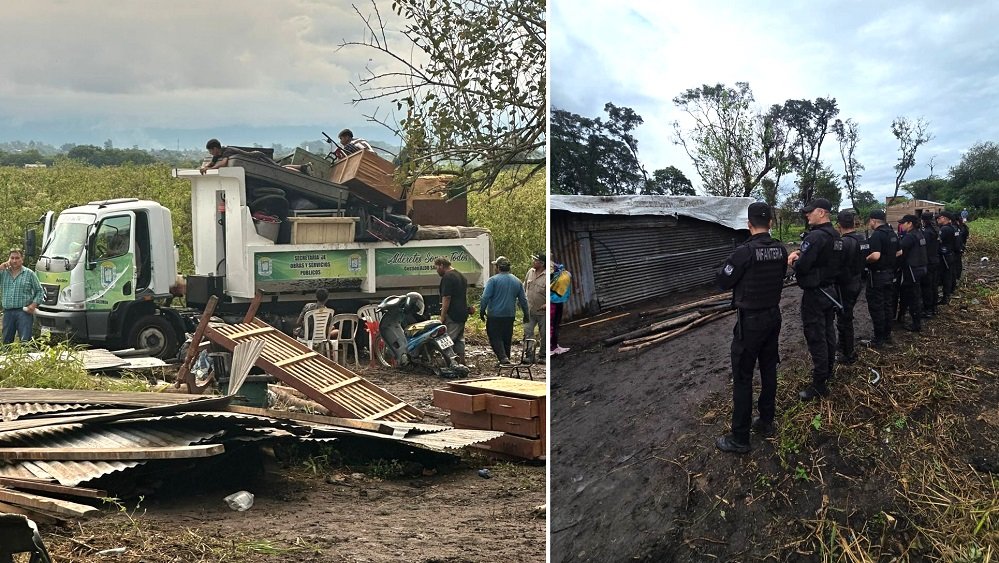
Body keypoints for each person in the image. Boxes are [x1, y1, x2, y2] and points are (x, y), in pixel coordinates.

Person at [714, 203, 788, 454]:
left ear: (748, 224)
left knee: (743, 378)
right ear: (770, 223)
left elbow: (723, 281)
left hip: (751, 322)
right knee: (768, 370)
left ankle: (740, 438)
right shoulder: (780, 249)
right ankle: (766, 421)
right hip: (773, 317)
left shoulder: (744, 252)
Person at [787, 198, 842, 401]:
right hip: (830, 291)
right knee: (828, 333)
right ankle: (828, 372)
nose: (807, 215)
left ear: (821, 212)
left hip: (816, 294)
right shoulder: (835, 235)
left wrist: (793, 261)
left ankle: (819, 385)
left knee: (816, 337)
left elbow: (803, 267)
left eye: (810, 212)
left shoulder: (816, 236)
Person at [479, 256, 528, 366]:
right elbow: (523, 300)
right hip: (509, 315)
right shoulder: (517, 281)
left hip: (495, 315)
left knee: (494, 336)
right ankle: (506, 359)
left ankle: (503, 358)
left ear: (498, 267)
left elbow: (485, 297)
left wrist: (482, 311)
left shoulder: (493, 280)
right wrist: (526, 314)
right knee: (507, 337)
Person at [835, 210, 868, 365]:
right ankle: (843, 345)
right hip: (857, 280)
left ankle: (848, 353)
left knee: (844, 319)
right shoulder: (862, 239)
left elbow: (837, 265)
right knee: (846, 316)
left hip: (846, 284)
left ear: (839, 225)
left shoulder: (844, 243)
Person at [865, 210, 899, 348]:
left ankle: (878, 339)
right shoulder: (892, 233)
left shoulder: (877, 235)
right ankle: (887, 335)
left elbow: (875, 255)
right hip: (890, 274)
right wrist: (888, 260)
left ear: (873, 220)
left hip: (877, 276)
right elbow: (899, 252)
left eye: (870, 221)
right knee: (887, 305)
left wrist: (864, 260)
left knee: (877, 307)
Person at [0, 249, 45, 344]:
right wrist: (0, 267)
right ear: (9, 259)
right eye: (12, 258)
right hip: (8, 313)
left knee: (25, 342)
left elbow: (40, 291)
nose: (14, 261)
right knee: (6, 342)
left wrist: (33, 305)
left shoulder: (29, 274)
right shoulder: (3, 273)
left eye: (17, 258)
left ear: (22, 259)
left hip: (24, 312)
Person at [896, 215, 928, 332]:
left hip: (912, 270)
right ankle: (901, 316)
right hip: (921, 268)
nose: (901, 225)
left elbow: (900, 251)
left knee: (913, 297)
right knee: (906, 292)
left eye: (903, 223)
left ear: (910, 223)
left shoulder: (909, 236)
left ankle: (916, 324)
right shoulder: (920, 234)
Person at [435, 256, 469, 365]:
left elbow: (446, 297)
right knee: (459, 338)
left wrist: (442, 316)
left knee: (447, 339)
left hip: (453, 313)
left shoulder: (448, 277)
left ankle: (449, 363)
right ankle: (461, 361)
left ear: (441, 265)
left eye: (436, 267)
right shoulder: (461, 276)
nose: (436, 270)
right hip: (462, 312)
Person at [522, 252, 547, 364]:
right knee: (528, 332)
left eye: (535, 260)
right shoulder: (530, 272)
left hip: (543, 313)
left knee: (544, 334)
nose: (533, 262)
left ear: (541, 263)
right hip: (529, 310)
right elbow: (524, 288)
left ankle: (543, 355)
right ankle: (529, 355)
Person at [919, 212, 941, 318]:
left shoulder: (927, 232)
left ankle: (928, 309)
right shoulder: (936, 230)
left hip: (928, 261)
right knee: (933, 285)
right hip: (935, 260)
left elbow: (924, 248)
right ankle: (934, 307)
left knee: (927, 286)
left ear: (923, 220)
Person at [550, 257, 572, 355]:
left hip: (557, 299)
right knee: (553, 325)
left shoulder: (554, 266)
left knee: (555, 324)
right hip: (553, 300)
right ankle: (552, 347)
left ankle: (554, 345)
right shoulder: (551, 267)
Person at [937, 212, 959, 305]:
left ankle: (945, 297)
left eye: (940, 218)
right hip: (951, 254)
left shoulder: (944, 229)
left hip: (945, 256)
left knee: (945, 276)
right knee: (949, 275)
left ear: (945, 218)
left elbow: (938, 241)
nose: (938, 219)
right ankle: (948, 294)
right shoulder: (953, 228)